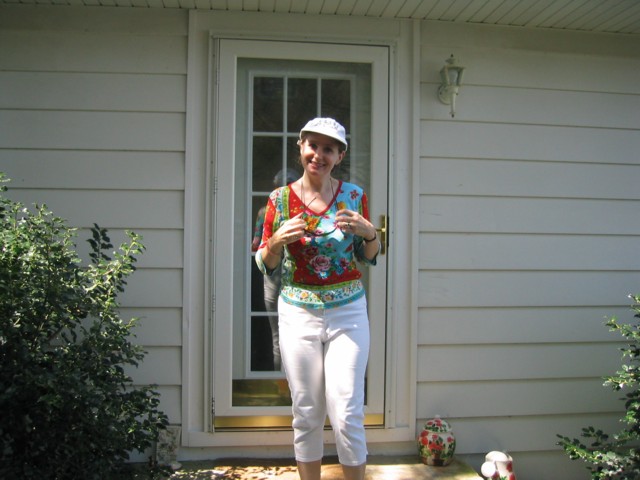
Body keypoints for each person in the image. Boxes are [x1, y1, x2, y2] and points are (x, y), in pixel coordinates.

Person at [255, 118, 380, 480]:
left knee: (347, 410)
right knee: (307, 410)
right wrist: (276, 241)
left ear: (340, 155)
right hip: (298, 313)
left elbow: (368, 256)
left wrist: (370, 234)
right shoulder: (279, 200)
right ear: (301, 147)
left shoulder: (353, 196)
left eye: (329, 149)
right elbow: (265, 263)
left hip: (348, 312)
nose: (318, 155)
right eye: (313, 145)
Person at [252, 169, 300, 371]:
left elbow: (256, 244)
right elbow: (256, 244)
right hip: (277, 276)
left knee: (286, 335)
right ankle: (281, 379)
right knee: (282, 334)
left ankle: (284, 378)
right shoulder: (267, 211)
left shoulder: (267, 211)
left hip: (294, 281)